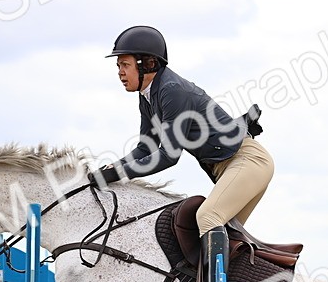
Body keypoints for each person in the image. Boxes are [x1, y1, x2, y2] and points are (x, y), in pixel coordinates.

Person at [93, 25, 273, 240]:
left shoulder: (172, 91)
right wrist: (110, 169)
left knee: (208, 218)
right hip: (232, 167)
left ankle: (217, 276)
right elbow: (145, 148)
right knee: (226, 235)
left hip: (247, 162)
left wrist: (118, 173)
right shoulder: (148, 95)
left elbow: (168, 156)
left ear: (148, 64)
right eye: (118, 66)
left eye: (125, 65)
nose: (120, 72)